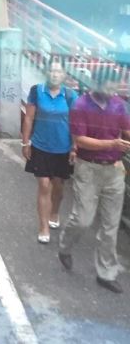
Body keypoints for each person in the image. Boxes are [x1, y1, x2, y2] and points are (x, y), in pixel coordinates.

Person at [58, 66, 130, 294]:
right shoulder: (80, 105)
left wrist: (123, 143)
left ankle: (106, 273)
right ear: (96, 83)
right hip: (88, 169)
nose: (113, 90)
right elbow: (80, 140)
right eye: (109, 85)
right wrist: (113, 144)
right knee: (83, 219)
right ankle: (65, 246)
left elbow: (126, 131)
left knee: (110, 226)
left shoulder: (119, 105)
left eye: (115, 85)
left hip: (114, 170)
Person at [22, 59, 77, 243]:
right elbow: (29, 118)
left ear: (64, 75)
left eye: (58, 71)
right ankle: (43, 226)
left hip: (63, 148)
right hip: (40, 146)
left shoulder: (70, 95)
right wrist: (25, 143)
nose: (55, 74)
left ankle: (55, 212)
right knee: (44, 185)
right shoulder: (37, 91)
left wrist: (74, 147)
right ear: (46, 73)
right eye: (52, 71)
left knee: (58, 186)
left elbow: (75, 123)